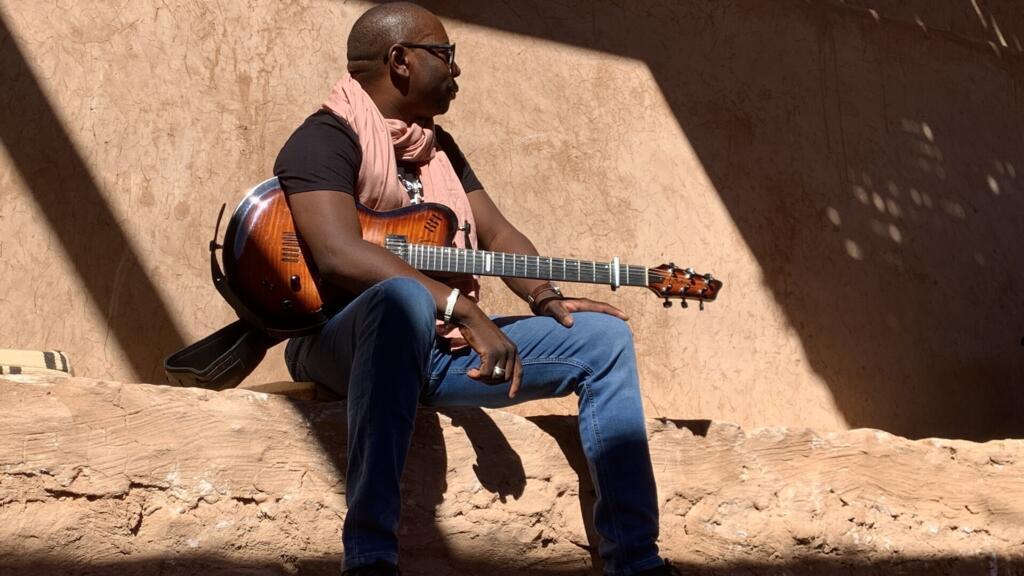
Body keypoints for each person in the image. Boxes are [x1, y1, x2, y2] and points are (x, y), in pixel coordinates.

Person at [273, 3, 678, 575]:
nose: (456, 69)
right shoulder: (323, 139)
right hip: (341, 343)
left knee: (604, 339)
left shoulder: (438, 148)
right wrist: (457, 305)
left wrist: (546, 297)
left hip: (438, 352)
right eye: (446, 55)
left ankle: (635, 559)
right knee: (402, 299)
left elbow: (498, 234)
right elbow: (338, 251)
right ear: (400, 60)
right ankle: (369, 557)